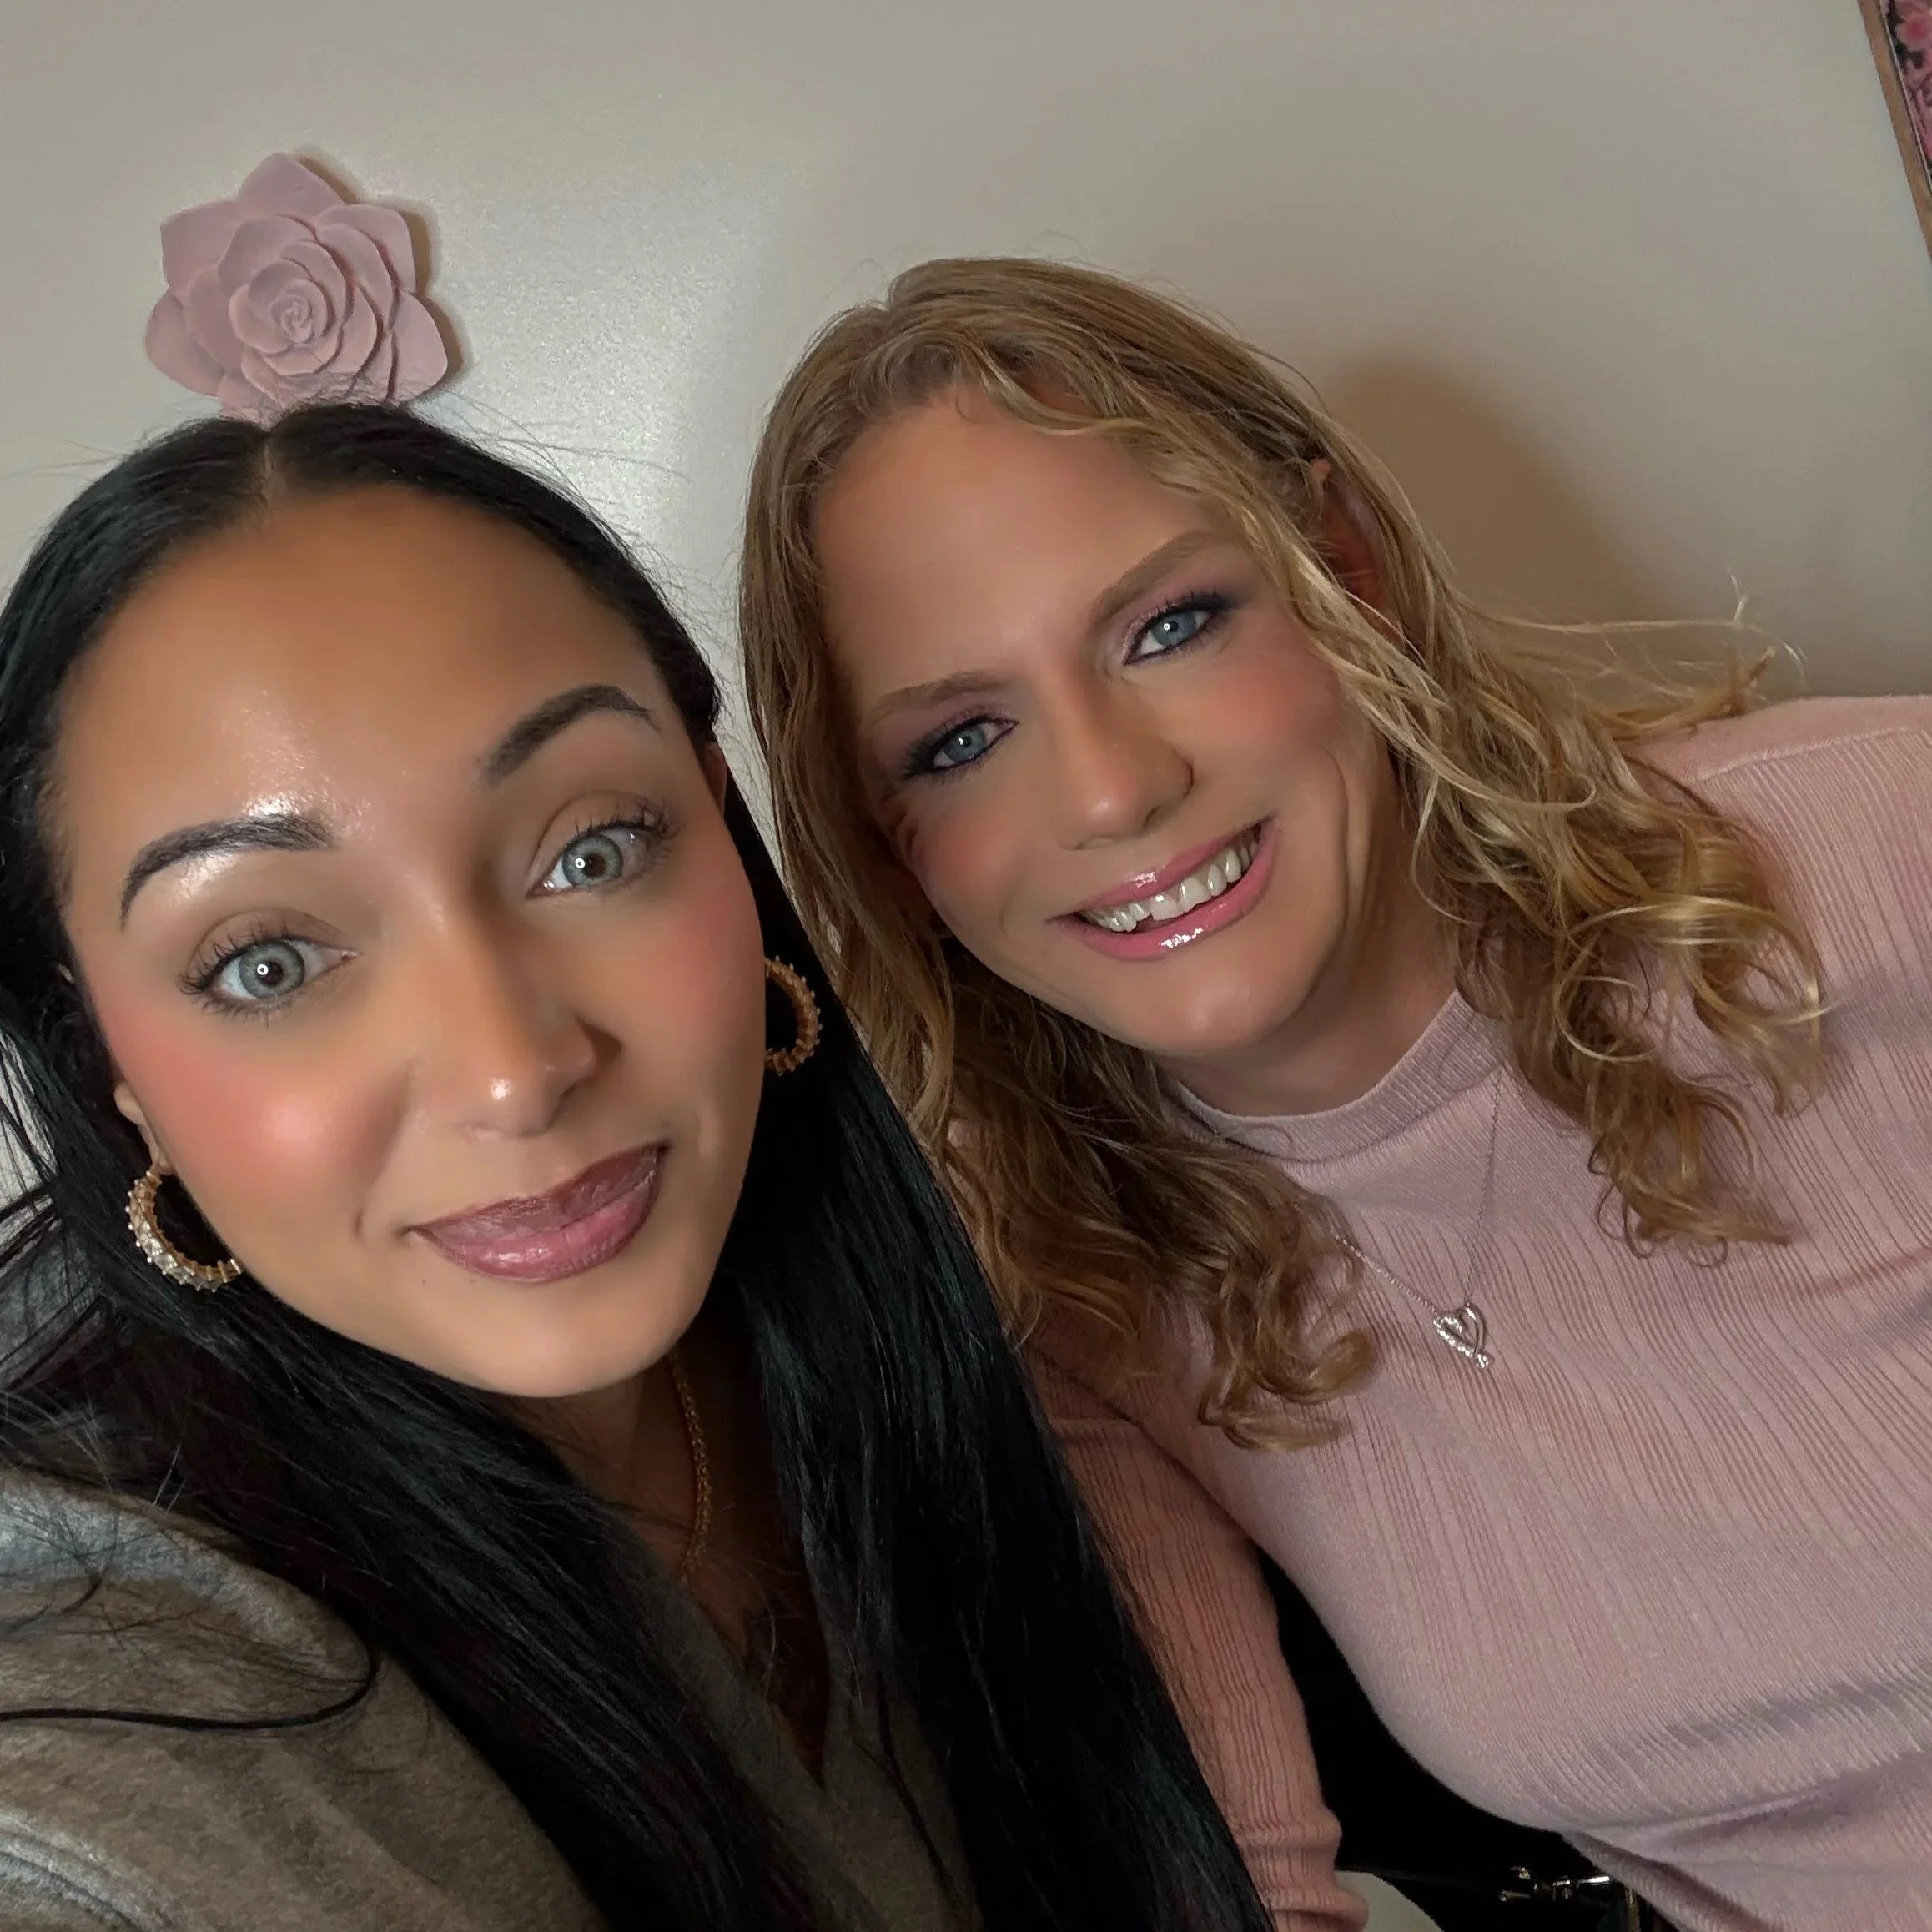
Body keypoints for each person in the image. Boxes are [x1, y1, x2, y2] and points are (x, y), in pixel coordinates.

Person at [735, 254, 1932, 1932]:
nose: (1112, 790)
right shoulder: (1071, 1294)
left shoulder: (1881, 846)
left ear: (1345, 574)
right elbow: (1231, 1883)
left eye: (1169, 628)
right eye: (960, 741)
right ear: (891, 849)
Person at [0, 401, 1291, 1932]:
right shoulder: (116, 1674)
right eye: (267, 962)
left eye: (592, 850)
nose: (513, 1066)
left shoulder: (908, 1322)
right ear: (109, 1063)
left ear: (721, 826)